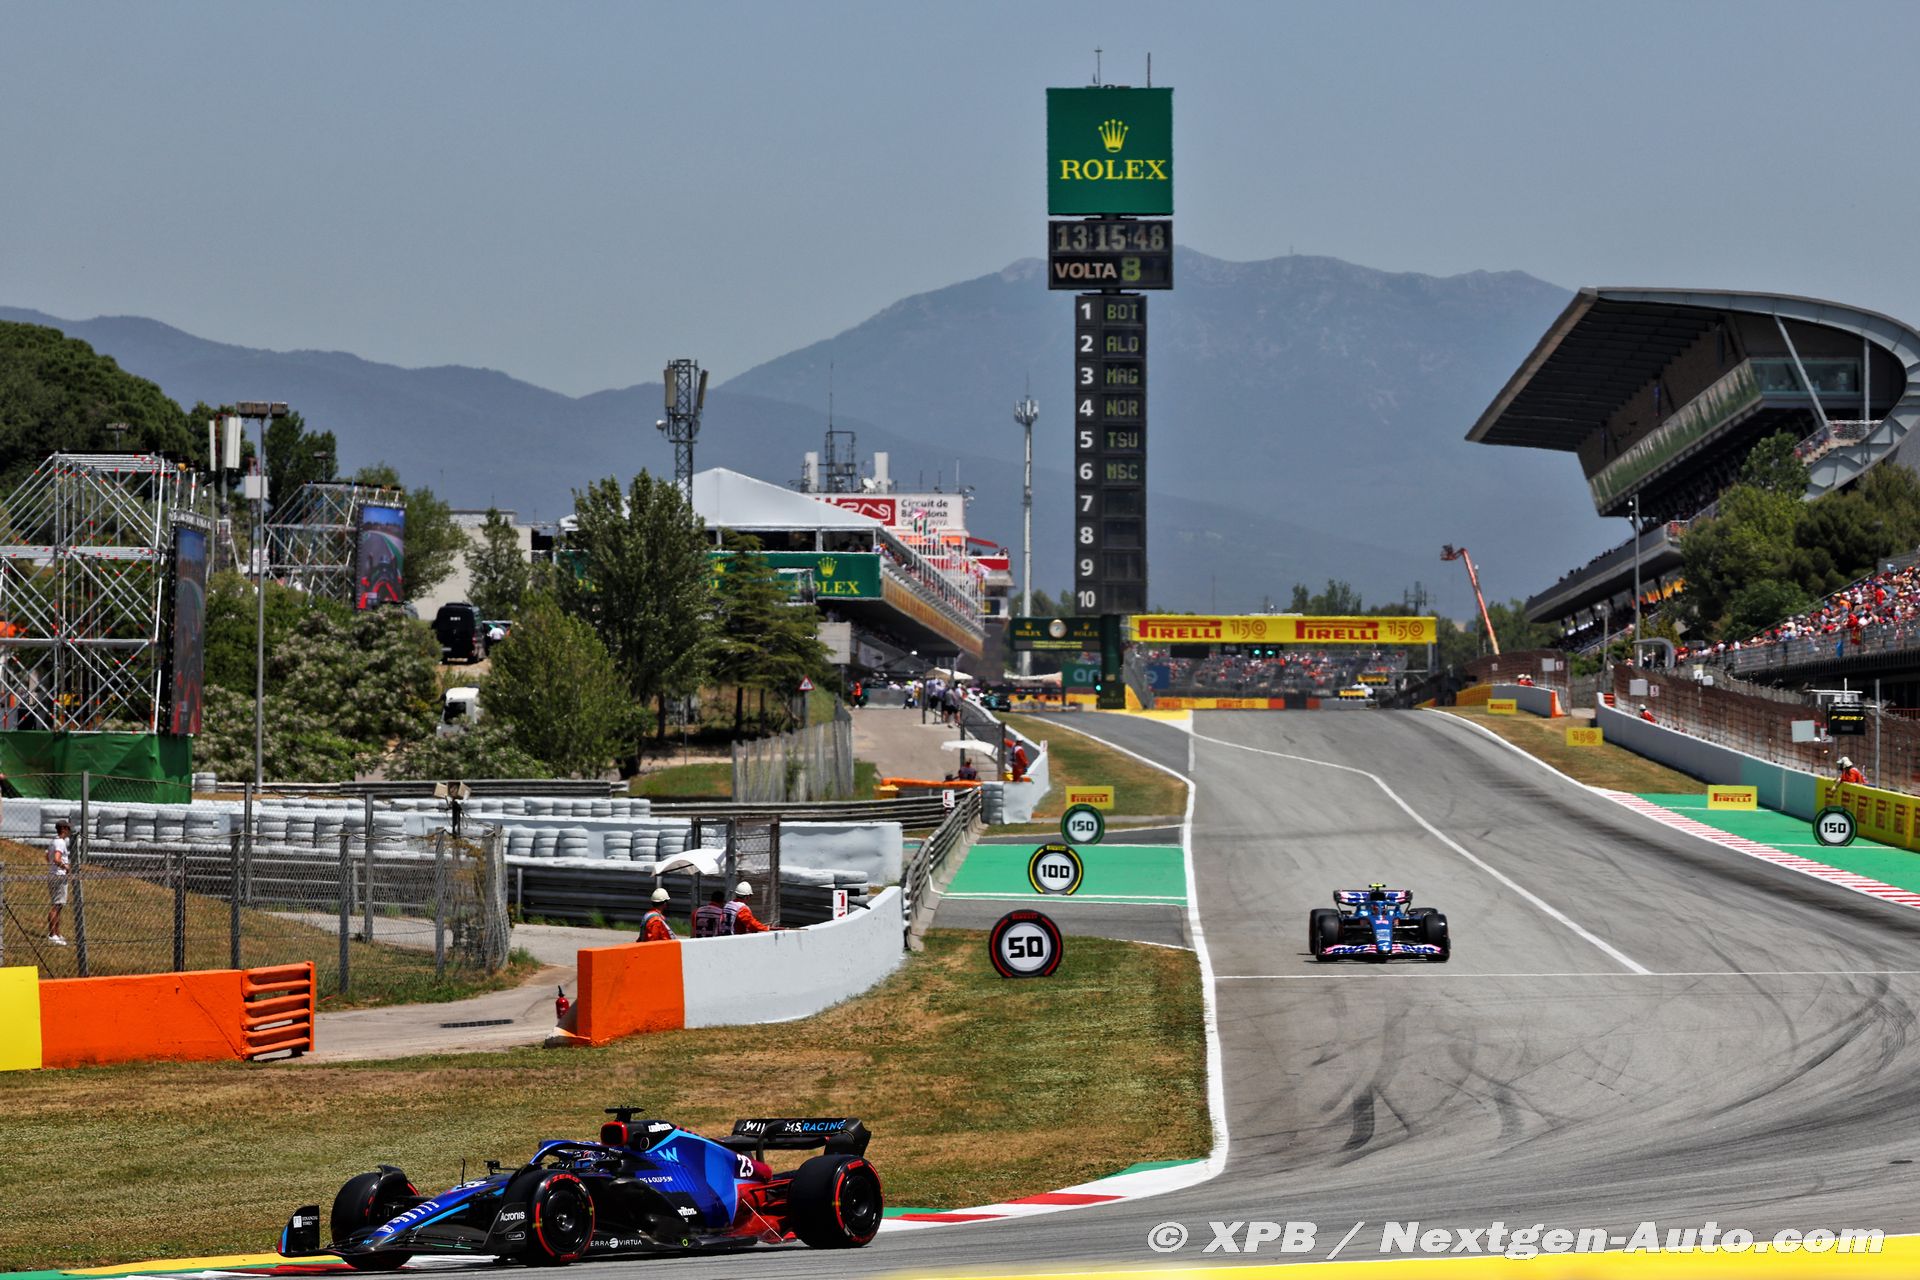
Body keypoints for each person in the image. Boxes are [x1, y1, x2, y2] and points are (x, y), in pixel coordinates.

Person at [46, 818, 70, 945]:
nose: (69, 831)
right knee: (56, 906)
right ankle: (52, 934)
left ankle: (57, 933)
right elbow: (56, 858)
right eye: (68, 828)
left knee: (58, 905)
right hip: (59, 876)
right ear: (64, 829)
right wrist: (65, 867)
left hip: (52, 874)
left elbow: (47, 856)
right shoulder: (60, 842)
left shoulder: (53, 841)